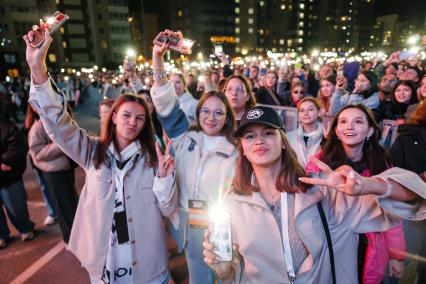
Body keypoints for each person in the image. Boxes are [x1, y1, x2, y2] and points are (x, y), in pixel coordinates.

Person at [202, 105, 426, 283]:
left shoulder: (320, 194)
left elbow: (415, 194)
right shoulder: (230, 205)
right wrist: (222, 270)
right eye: (249, 136)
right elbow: (231, 277)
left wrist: (367, 185)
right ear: (242, 147)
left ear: (283, 142)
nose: (259, 140)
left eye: (268, 133)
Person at [24, 29, 177, 283]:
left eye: (140, 118)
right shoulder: (92, 151)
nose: (133, 122)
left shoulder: (153, 158)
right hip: (106, 263)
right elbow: (59, 124)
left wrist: (163, 177)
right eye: (126, 115)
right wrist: (37, 67)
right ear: (113, 117)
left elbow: (168, 208)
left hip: (148, 267)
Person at [150, 30, 238, 284]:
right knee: (198, 279)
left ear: (228, 117)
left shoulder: (237, 149)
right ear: (198, 113)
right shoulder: (184, 137)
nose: (211, 117)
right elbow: (165, 102)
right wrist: (158, 57)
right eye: (206, 111)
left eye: (219, 113)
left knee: (227, 279)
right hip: (189, 228)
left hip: (223, 229)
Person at [306, 104, 407, 283]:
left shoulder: (383, 166)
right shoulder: (319, 164)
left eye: (358, 121)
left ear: (369, 131)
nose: (349, 127)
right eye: (343, 122)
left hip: (370, 248)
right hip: (331, 245)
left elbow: (392, 215)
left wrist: (396, 256)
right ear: (336, 131)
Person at [28, 104, 79, 243]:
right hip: (53, 171)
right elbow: (37, 153)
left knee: (71, 202)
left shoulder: (59, 122)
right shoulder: (38, 127)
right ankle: (70, 239)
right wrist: (61, 144)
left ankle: (77, 235)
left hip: (66, 168)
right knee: (63, 206)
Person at [389, 101, 426, 283]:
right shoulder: (408, 135)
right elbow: (393, 171)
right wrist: (418, 179)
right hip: (412, 211)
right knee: (405, 264)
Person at [0, 93, 35, 249]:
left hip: (8, 177)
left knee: (16, 207)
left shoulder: (6, 127)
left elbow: (18, 145)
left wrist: (3, 162)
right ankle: (2, 235)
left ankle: (25, 228)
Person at [24, 105, 57, 226]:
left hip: (55, 160)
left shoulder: (52, 115)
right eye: (33, 103)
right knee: (44, 186)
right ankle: (52, 212)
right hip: (38, 161)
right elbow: (28, 142)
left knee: (61, 186)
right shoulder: (31, 122)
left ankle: (68, 209)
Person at [286, 97, 324, 167]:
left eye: (310, 109)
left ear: (319, 113)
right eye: (302, 110)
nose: (306, 113)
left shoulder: (327, 136)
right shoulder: (289, 137)